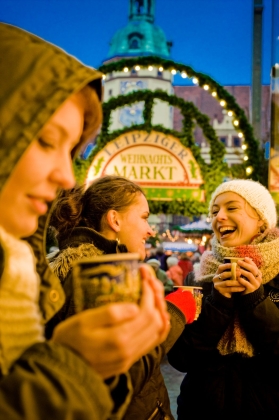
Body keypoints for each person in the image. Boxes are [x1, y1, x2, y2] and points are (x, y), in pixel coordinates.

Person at [0, 22, 172, 419]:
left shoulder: (24, 272)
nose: (65, 175)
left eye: (72, 150)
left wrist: (93, 371)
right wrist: (75, 366)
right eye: (46, 141)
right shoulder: (69, 268)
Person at [47, 176, 196, 419]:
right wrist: (174, 313)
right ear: (115, 219)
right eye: (144, 217)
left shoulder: (95, 266)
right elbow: (122, 373)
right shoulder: (97, 276)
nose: (150, 230)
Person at [167, 179, 279, 419]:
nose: (219, 217)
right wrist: (218, 303)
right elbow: (181, 357)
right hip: (202, 410)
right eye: (215, 211)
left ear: (261, 219)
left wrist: (256, 301)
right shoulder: (198, 277)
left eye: (232, 207)